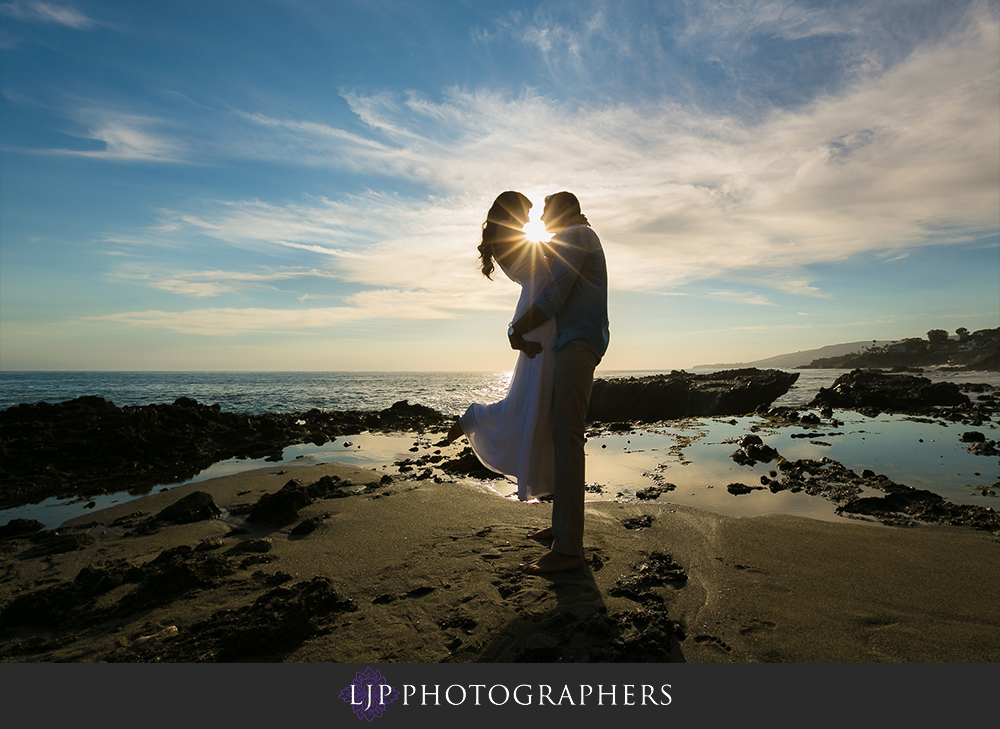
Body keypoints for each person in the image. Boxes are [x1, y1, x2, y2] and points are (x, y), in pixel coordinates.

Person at [507, 191, 609, 575]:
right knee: (560, 435)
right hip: (573, 342)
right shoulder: (573, 238)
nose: (543, 220)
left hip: (578, 343)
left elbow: (553, 295)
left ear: (564, 210)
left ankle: (568, 550)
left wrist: (518, 327)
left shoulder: (580, 236)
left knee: (567, 437)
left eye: (547, 212)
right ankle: (562, 529)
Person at [447, 191, 558, 501]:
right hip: (537, 315)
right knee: (531, 396)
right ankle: (475, 418)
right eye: (525, 212)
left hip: (540, 310)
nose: (528, 219)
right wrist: (577, 231)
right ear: (510, 212)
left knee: (534, 396)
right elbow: (554, 252)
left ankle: (548, 486)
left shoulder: (507, 237)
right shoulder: (508, 239)